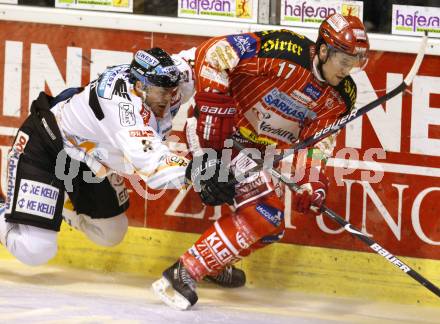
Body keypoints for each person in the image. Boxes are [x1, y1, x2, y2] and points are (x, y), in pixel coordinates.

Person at [152, 13, 370, 310]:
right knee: (265, 212)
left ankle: (214, 263)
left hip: (256, 154)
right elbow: (213, 53)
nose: (347, 69)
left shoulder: (343, 96)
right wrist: (216, 117)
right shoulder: (283, 49)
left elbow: (319, 143)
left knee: (271, 226)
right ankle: (183, 273)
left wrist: (313, 181)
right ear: (322, 50)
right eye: (343, 60)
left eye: (353, 63)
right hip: (219, 134)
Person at [0, 47, 196, 266]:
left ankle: (61, 201)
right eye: (162, 92)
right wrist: (199, 172)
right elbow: (153, 164)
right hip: (48, 146)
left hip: (88, 157)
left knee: (111, 233)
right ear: (140, 86)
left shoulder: (165, 77)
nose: (169, 98)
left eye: (173, 90)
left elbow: (204, 57)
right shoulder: (123, 108)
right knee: (36, 250)